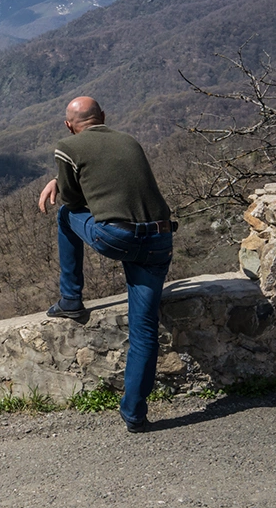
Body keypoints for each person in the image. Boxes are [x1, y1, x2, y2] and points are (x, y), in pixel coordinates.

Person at [38, 96, 174, 433]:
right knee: (144, 331)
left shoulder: (68, 146)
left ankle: (71, 298)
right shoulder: (129, 140)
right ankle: (134, 414)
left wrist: (57, 179)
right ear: (103, 117)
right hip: (159, 239)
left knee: (66, 215)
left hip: (118, 237)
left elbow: (73, 199)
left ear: (69, 125)